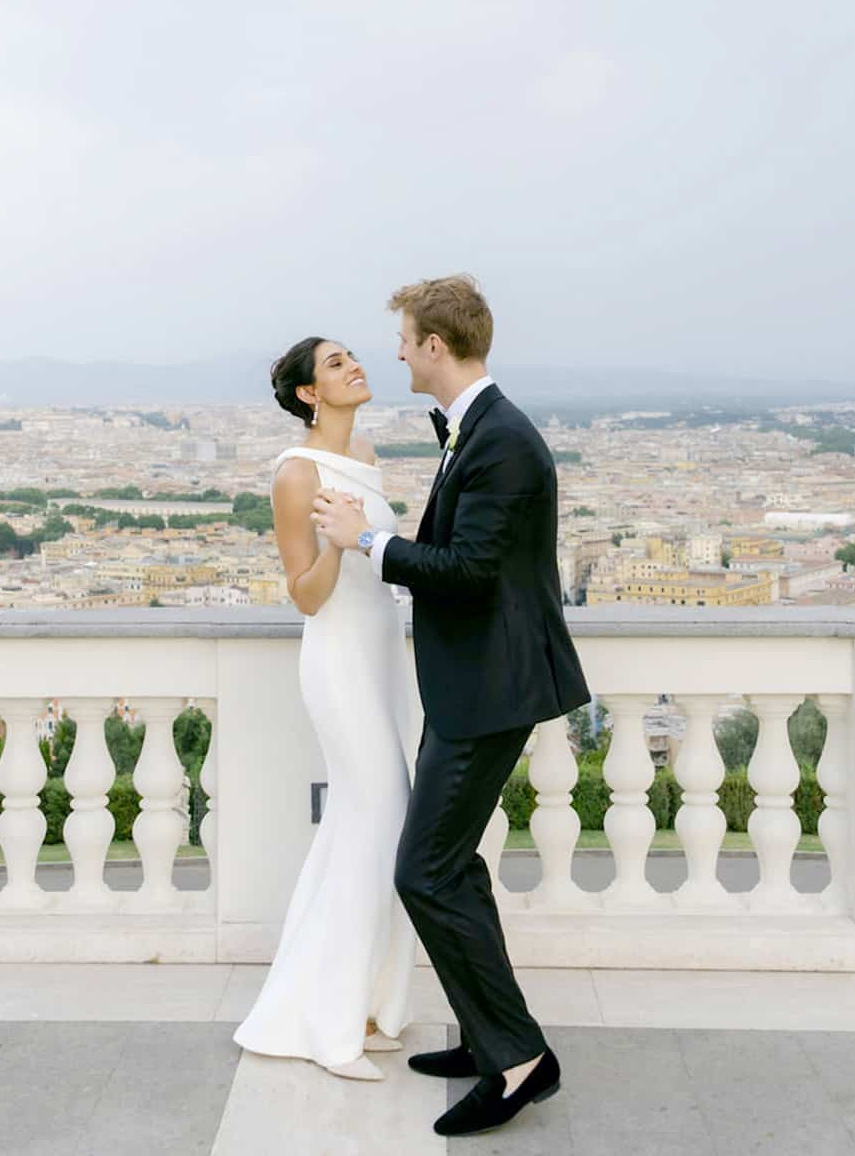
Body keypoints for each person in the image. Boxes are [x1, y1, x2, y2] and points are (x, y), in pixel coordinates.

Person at [312, 274, 588, 1138]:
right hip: (475, 682)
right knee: (454, 864)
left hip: (488, 689)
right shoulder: (484, 429)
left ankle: (519, 1061)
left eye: (402, 338)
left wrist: (366, 539)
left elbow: (468, 572)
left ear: (436, 345)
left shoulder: (500, 440)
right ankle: (486, 1035)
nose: (393, 351)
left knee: (422, 869)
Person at [231, 336, 418, 1082]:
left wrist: (361, 531)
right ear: (310, 394)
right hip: (339, 659)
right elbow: (304, 593)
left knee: (369, 827)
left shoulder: (365, 452)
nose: (355, 367)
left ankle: (362, 1006)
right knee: (376, 821)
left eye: (352, 358)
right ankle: (328, 1024)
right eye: (336, 364)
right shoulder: (296, 472)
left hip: (380, 653)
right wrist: (341, 542)